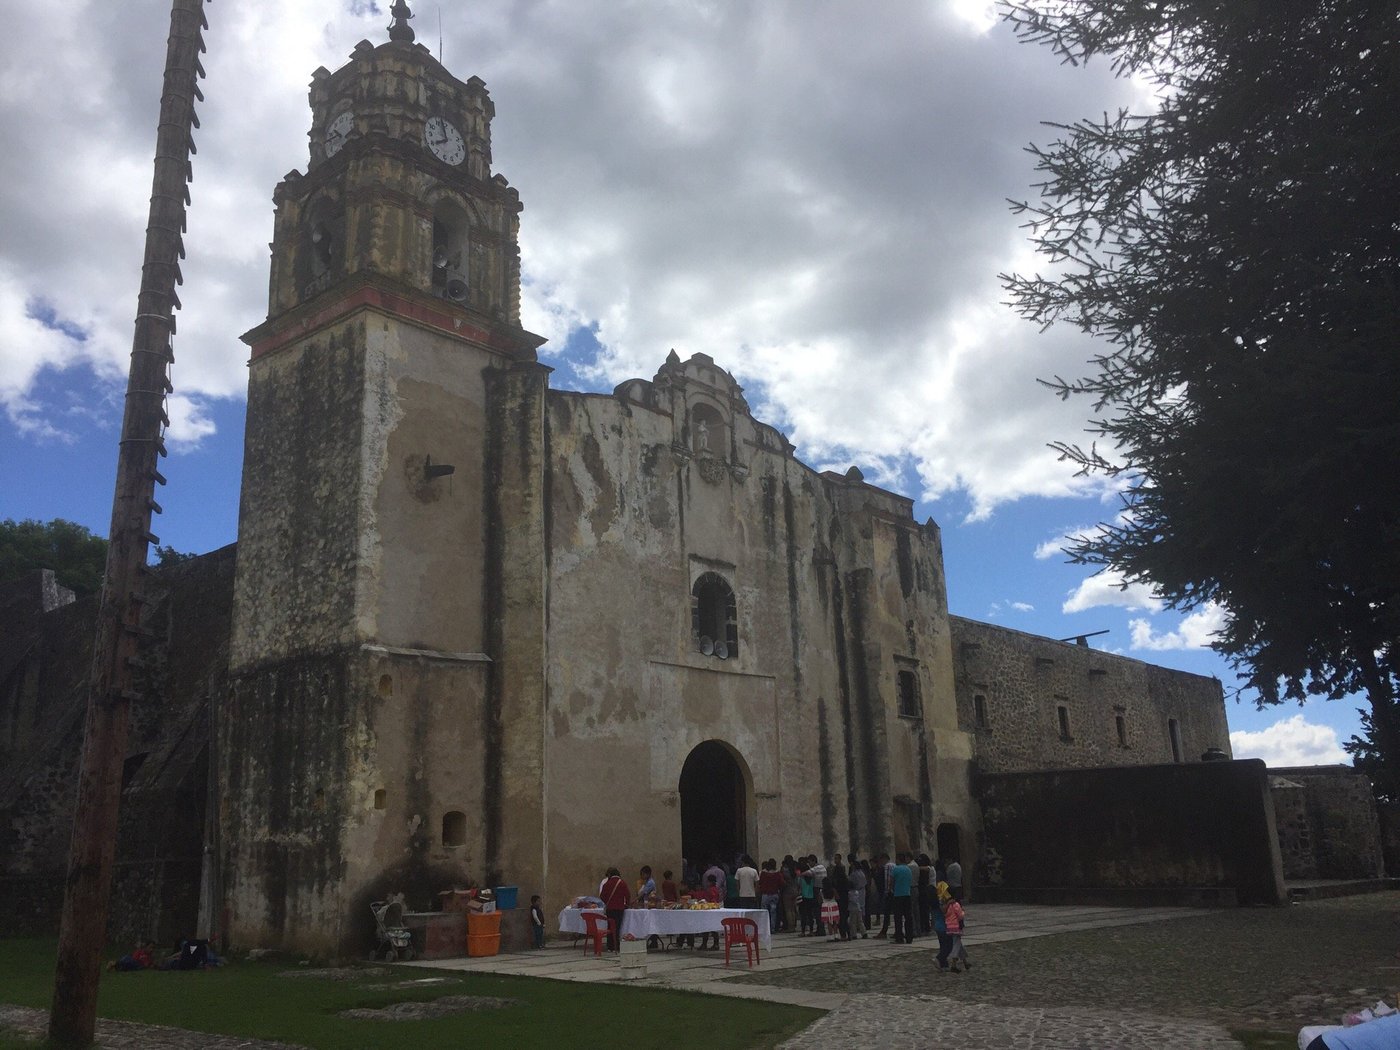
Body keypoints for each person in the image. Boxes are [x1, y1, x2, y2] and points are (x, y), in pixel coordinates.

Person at [599, 866, 630, 952]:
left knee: (610, 927)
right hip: (619, 908)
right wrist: (626, 905)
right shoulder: (622, 883)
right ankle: (616, 946)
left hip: (609, 909)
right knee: (617, 927)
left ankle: (610, 946)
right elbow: (627, 895)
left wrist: (608, 902)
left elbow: (602, 896)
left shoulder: (606, 884)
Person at [889, 851, 914, 944]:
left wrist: (891, 889)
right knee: (908, 917)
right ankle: (909, 937)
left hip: (898, 895)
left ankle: (899, 937)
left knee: (898, 918)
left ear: (898, 860)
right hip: (907, 894)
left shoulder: (895, 869)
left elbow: (891, 882)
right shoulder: (908, 869)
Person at [944, 890, 970, 972]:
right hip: (956, 927)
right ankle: (954, 965)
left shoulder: (947, 906)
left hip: (949, 927)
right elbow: (960, 916)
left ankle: (965, 962)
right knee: (956, 945)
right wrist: (963, 911)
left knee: (959, 945)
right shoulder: (956, 905)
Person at [758, 859, 784, 933]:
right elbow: (782, 883)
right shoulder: (777, 874)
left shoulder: (763, 873)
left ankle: (764, 927)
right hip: (774, 894)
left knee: (764, 912)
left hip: (765, 894)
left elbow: (760, 882)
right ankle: (772, 928)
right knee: (773, 912)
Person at [829, 853, 851, 940]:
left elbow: (836, 883)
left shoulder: (840, 869)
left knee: (842, 916)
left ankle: (845, 934)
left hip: (842, 895)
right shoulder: (837, 870)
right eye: (835, 858)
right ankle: (845, 934)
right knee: (842, 916)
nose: (835, 860)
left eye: (837, 858)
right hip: (842, 895)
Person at [850, 859, 869, 938]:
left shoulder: (854, 874)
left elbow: (851, 881)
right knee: (861, 911)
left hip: (855, 893)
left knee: (853, 920)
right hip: (862, 891)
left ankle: (854, 933)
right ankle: (863, 931)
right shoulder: (862, 873)